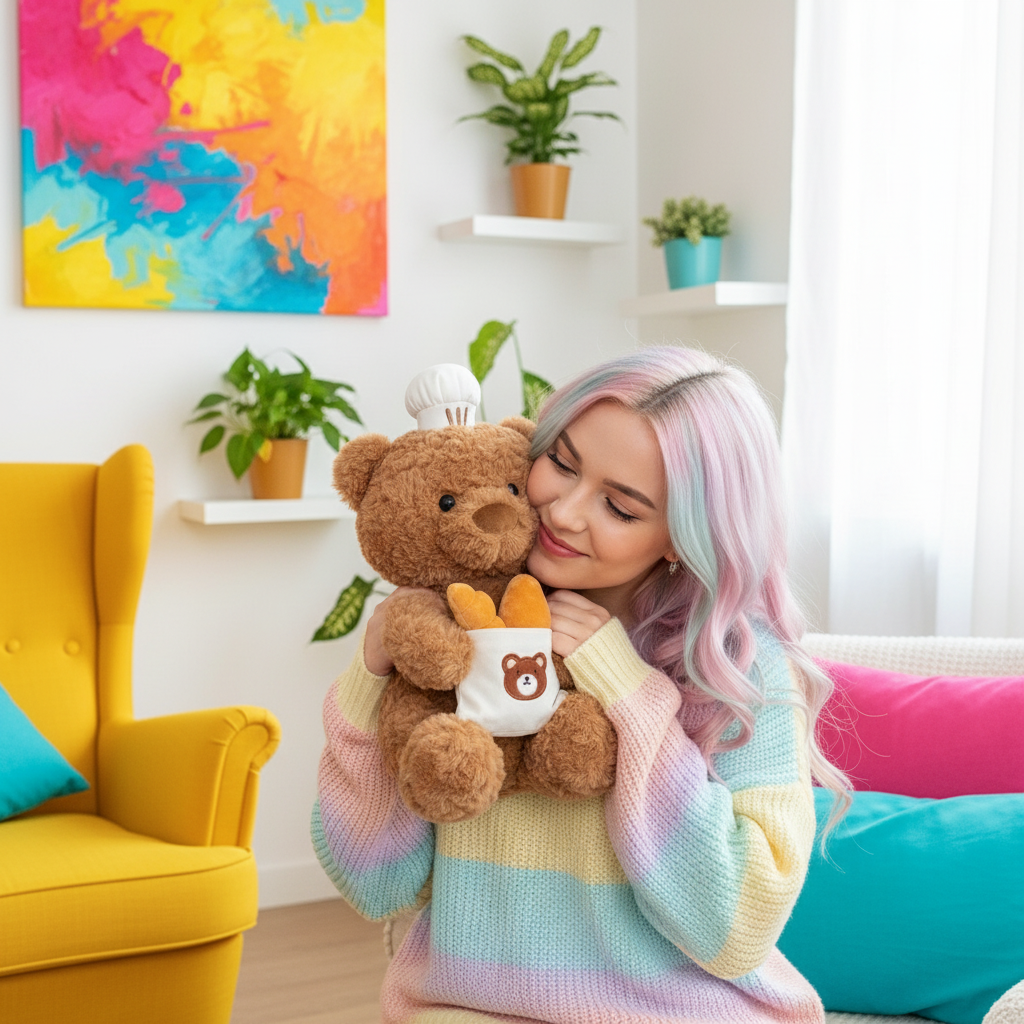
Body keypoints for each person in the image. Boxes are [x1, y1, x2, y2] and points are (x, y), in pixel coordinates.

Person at [313, 346, 850, 1024]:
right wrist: (370, 678)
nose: (564, 512)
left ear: (682, 536)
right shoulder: (462, 629)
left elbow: (736, 927)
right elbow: (374, 886)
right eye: (561, 463)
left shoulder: (740, 667)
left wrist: (625, 686)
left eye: (620, 507)